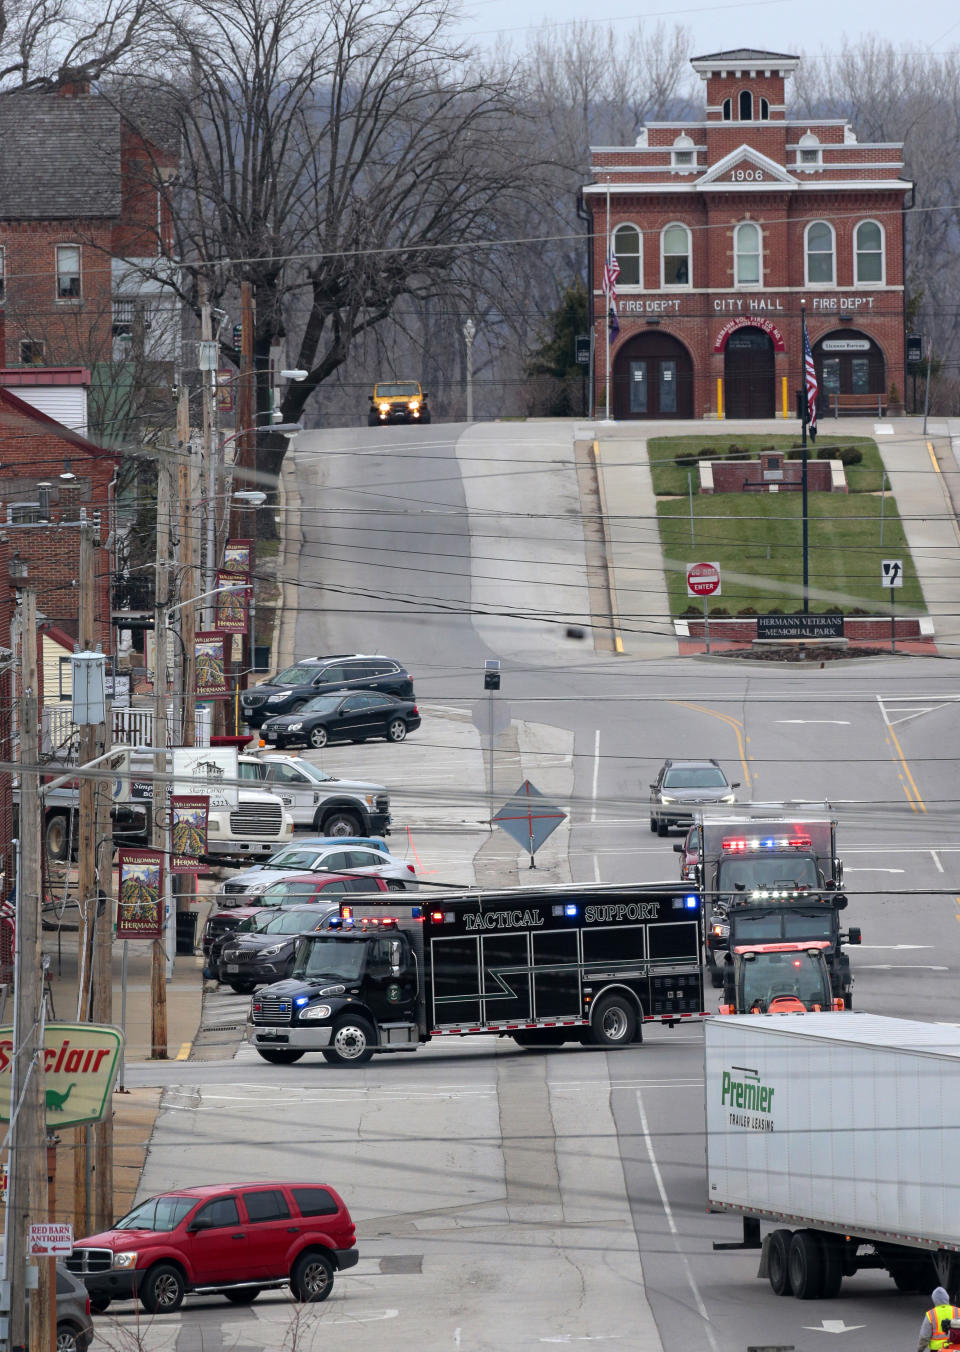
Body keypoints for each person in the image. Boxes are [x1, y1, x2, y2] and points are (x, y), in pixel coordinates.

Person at [918, 1287, 960, 1351]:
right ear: (947, 1297)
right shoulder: (958, 1311)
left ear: (934, 1300)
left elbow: (924, 1336)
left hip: (936, 1349)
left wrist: (920, 1349)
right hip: (955, 1348)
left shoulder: (930, 1314)